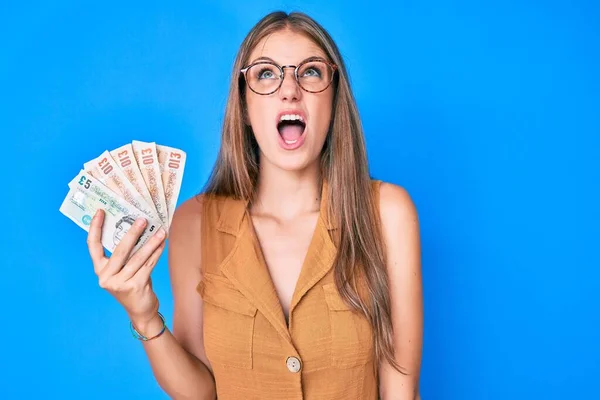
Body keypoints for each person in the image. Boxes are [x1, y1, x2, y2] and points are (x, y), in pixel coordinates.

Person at [86, 10, 423, 400]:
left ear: (334, 97)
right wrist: (143, 315)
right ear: (244, 107)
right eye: (266, 73)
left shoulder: (387, 213)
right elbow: (200, 392)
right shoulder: (196, 223)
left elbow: (402, 389)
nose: (289, 89)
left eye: (310, 72)